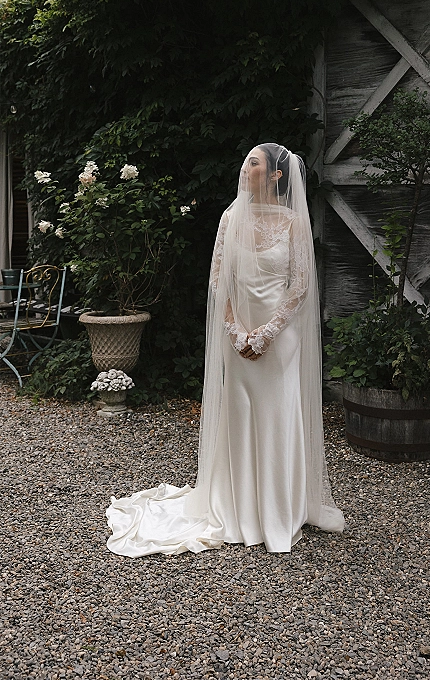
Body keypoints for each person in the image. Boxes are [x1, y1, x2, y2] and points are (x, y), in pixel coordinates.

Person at [106, 143, 344, 555]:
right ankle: (238, 507)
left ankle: (278, 509)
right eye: (246, 161)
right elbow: (219, 279)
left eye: (254, 162)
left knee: (277, 415)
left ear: (273, 175)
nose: (245, 167)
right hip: (239, 337)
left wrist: (268, 332)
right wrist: (235, 330)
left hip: (279, 337)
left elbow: (300, 285)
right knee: (240, 415)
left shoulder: (292, 222)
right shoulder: (230, 217)